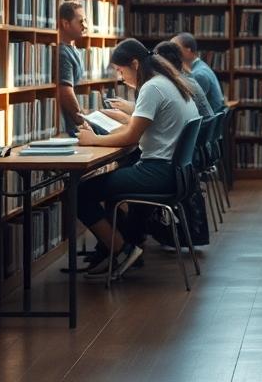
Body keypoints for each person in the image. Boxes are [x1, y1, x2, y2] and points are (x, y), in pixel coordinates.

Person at [73, 38, 201, 279]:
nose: (121, 77)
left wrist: (93, 140)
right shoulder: (168, 81)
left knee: (80, 192)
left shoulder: (152, 87)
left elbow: (132, 136)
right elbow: (139, 128)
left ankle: (123, 251)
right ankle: (117, 248)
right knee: (107, 183)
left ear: (134, 64)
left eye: (121, 71)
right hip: (176, 173)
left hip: (159, 173)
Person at [153, 40, 214, 117]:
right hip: (206, 126)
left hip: (201, 127)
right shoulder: (189, 81)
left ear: (162, 64)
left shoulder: (175, 85)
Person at [57, 1, 89, 135]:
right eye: (80, 22)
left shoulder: (75, 50)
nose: (85, 26)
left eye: (85, 21)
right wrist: (82, 121)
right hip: (66, 127)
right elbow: (65, 91)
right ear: (65, 24)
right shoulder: (63, 53)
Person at [172, 32, 225, 110]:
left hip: (206, 121)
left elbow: (189, 106)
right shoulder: (201, 66)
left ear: (188, 50)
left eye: (175, 48)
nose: (171, 51)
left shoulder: (199, 74)